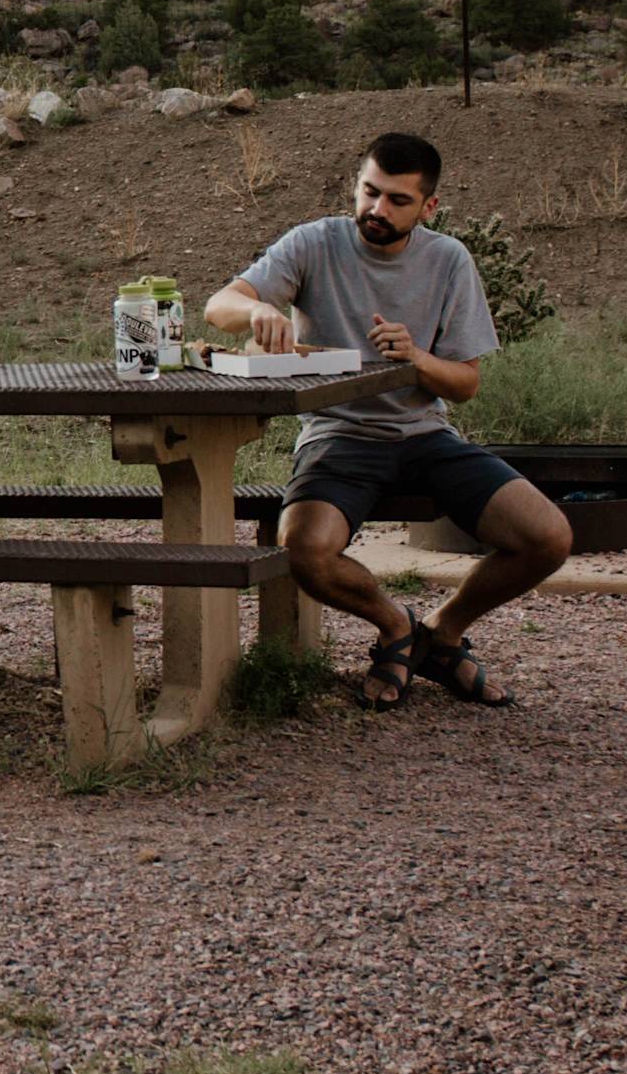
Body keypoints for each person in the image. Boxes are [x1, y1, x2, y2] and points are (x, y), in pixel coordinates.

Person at [204, 128, 572, 710]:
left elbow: (466, 383)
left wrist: (417, 358)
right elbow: (217, 304)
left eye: (398, 200)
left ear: (428, 207)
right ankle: (396, 625)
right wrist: (257, 310)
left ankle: (442, 632)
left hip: (426, 435)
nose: (377, 209)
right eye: (369, 192)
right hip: (338, 434)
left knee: (549, 537)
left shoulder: (448, 259)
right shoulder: (314, 242)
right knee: (304, 549)